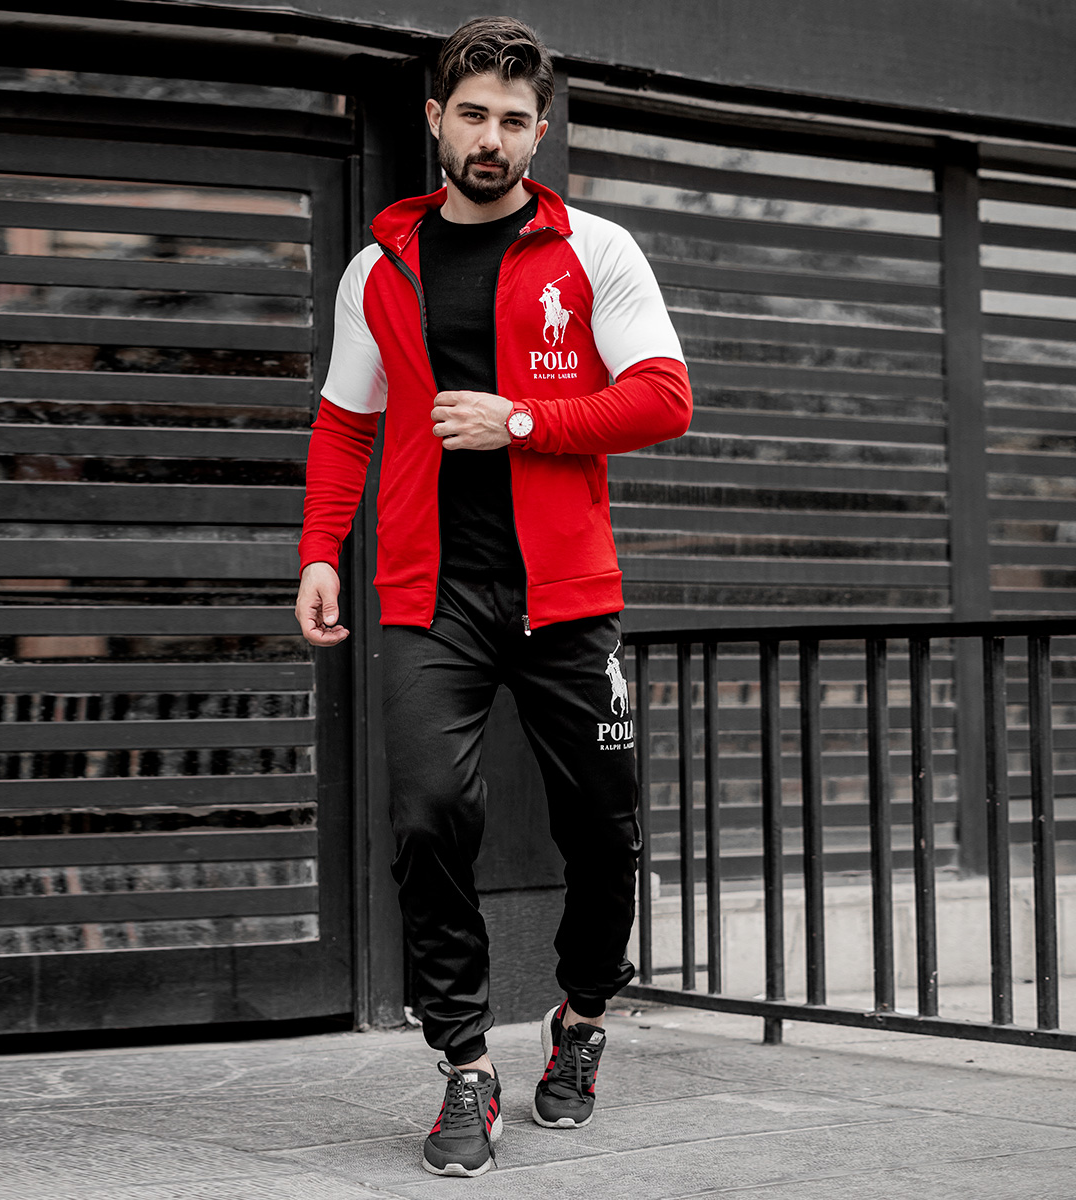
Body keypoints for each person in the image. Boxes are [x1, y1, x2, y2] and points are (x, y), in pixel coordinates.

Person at [295, 15, 692, 1178]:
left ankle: (582, 1015)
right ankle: (465, 1064)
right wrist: (321, 549)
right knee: (428, 820)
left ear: (541, 129)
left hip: (566, 594)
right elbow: (346, 423)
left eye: (515, 120)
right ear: (435, 119)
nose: (492, 138)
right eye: (472, 113)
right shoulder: (379, 268)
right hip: (432, 595)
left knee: (603, 831)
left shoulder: (593, 250)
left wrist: (520, 420)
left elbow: (664, 397)